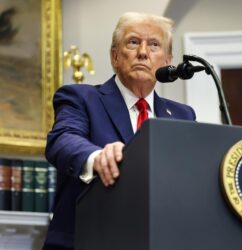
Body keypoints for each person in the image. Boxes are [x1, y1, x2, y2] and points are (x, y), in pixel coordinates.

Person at [43, 12, 196, 250]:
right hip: (87, 241)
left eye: (154, 45)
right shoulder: (81, 98)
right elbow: (63, 139)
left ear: (167, 61)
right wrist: (97, 157)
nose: (143, 52)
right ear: (115, 56)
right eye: (133, 42)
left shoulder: (183, 116)